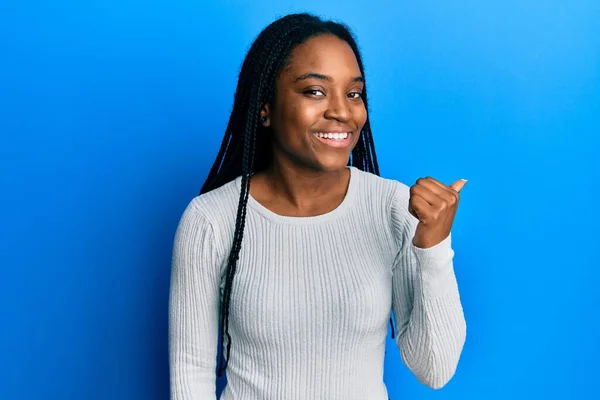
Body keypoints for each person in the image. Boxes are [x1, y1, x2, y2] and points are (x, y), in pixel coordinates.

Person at [168, 12, 467, 400]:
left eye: (354, 93)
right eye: (314, 91)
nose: (342, 112)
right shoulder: (212, 220)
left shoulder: (395, 208)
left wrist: (433, 246)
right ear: (265, 107)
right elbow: (190, 372)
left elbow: (435, 369)